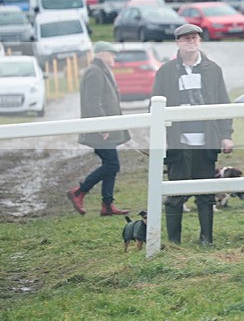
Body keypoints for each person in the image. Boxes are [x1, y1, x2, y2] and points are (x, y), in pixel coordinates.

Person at [151, 23, 234, 245]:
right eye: (186, 38)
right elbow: (156, 107)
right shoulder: (166, 71)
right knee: (175, 195)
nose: (191, 42)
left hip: (206, 141)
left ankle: (206, 239)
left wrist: (226, 134)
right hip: (178, 143)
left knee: (206, 194)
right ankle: (173, 242)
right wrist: (162, 139)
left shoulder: (213, 69)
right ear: (178, 42)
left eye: (195, 38)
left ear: (200, 41)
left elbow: (222, 103)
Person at [67, 41, 131, 216]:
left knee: (110, 164)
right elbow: (93, 102)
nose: (114, 57)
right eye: (111, 53)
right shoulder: (95, 72)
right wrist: (102, 125)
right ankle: (79, 192)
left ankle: (107, 205)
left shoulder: (100, 70)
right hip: (101, 130)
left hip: (106, 129)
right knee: (112, 164)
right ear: (101, 53)